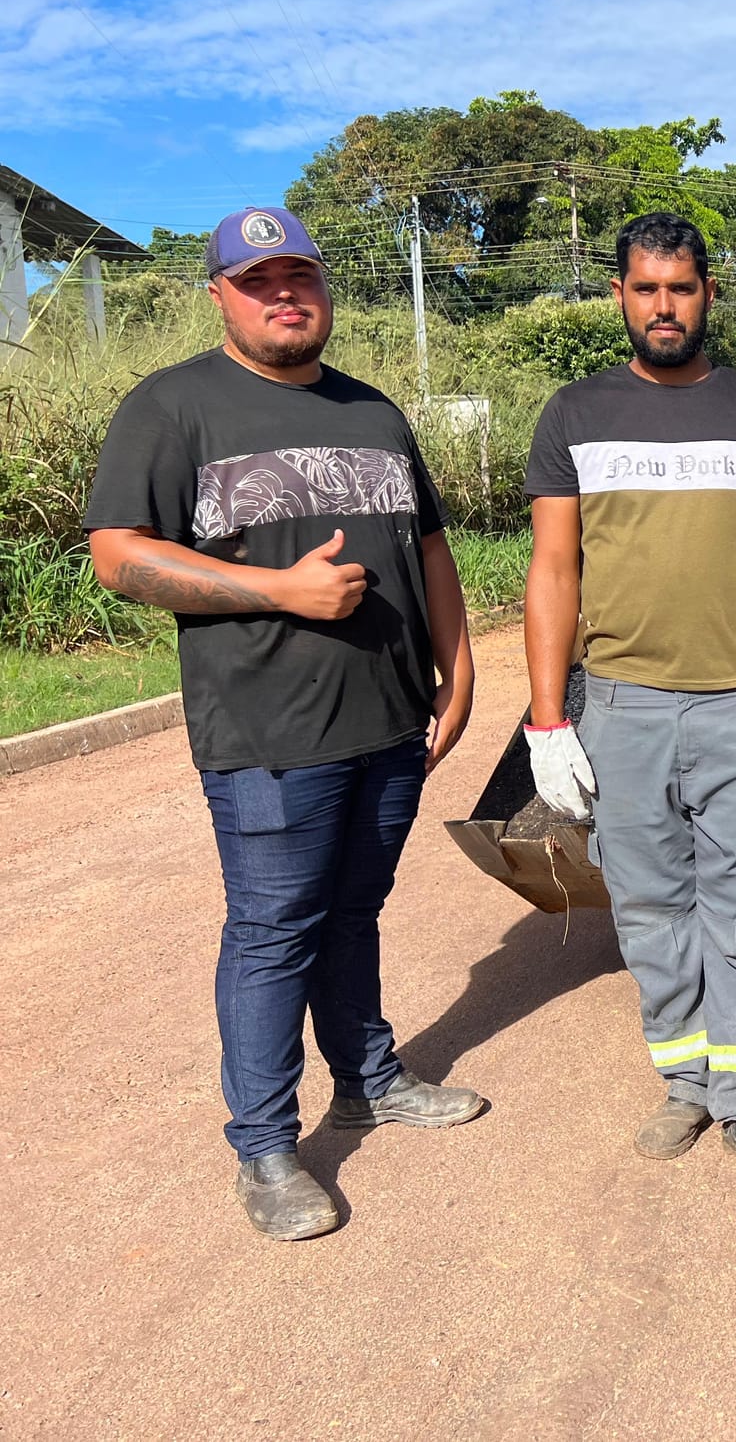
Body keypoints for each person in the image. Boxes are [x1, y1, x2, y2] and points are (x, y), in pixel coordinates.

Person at [84, 207, 485, 1242]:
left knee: (353, 914)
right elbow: (120, 555)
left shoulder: (375, 411)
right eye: (258, 280)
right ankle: (265, 1151)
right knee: (272, 934)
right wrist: (277, 591)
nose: (283, 295)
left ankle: (369, 1080)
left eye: (298, 275)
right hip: (267, 734)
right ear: (218, 293)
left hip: (391, 723)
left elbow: (430, 550)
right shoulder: (173, 408)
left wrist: (461, 665)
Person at [522, 212, 736, 1196]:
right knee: (652, 909)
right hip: (622, 708)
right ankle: (686, 1083)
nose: (665, 306)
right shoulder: (573, 416)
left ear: (709, 295)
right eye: (646, 288)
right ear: (619, 294)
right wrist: (546, 721)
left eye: (683, 288)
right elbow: (553, 571)